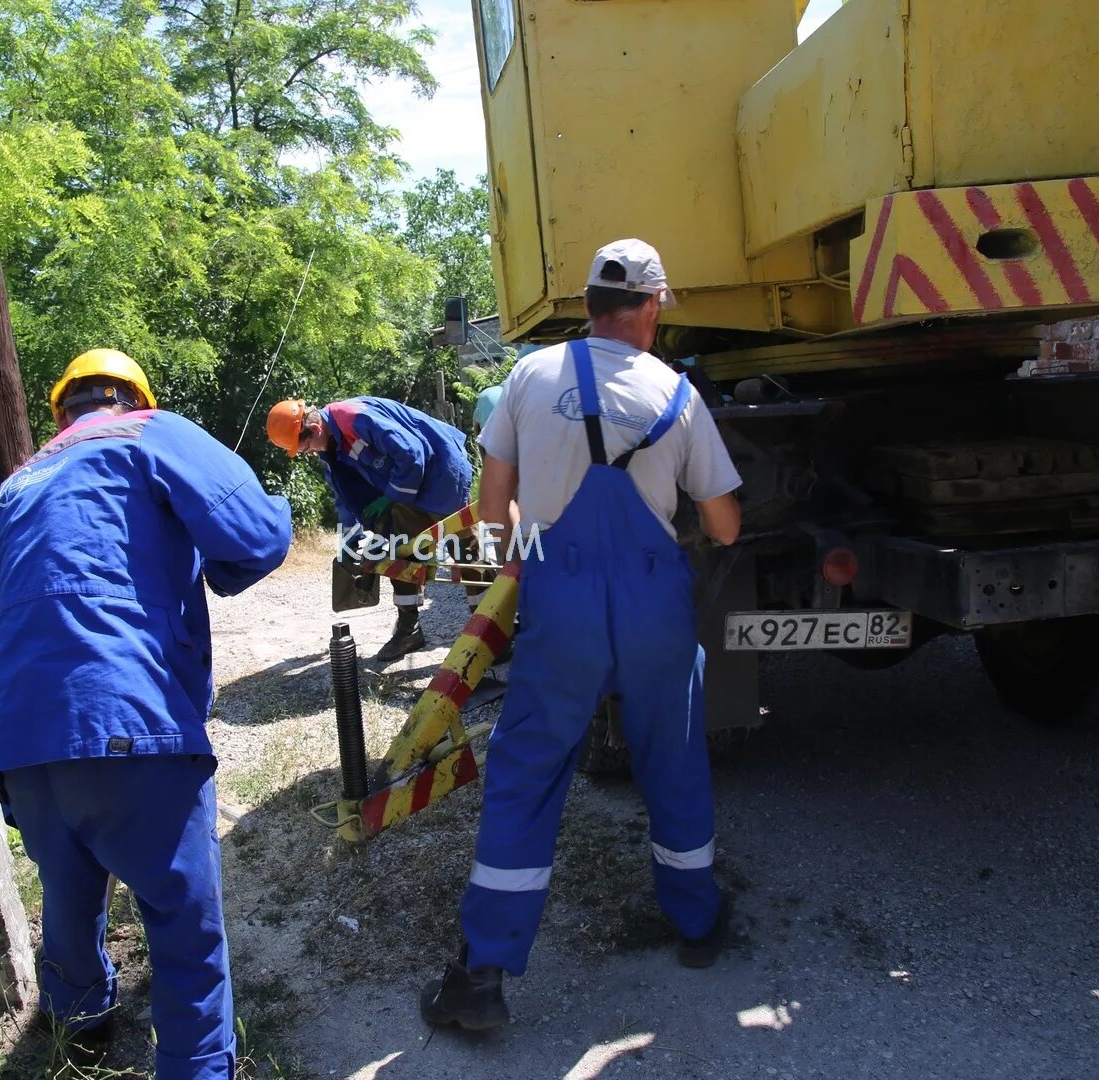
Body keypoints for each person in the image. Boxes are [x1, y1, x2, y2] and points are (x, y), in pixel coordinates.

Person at [420, 239, 743, 1030]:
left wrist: (520, 569)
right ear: (652, 305)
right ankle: (696, 922)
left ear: (590, 305)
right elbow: (726, 526)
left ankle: (483, 977)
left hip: (559, 610)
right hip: (655, 611)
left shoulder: (528, 376)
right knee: (673, 758)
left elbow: (494, 511)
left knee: (528, 773)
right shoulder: (678, 391)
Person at [0, 348, 293, 1078]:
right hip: (131, 721)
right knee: (185, 927)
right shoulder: (148, 430)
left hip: (20, 739)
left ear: (61, 412)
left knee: (69, 888)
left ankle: (79, 1025)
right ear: (131, 398)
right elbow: (258, 538)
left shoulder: (17, 482)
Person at [266, 395, 473, 660]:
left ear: (315, 429)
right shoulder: (330, 451)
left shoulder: (355, 419)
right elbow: (343, 497)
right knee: (401, 550)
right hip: (408, 489)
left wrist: (390, 496)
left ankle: (491, 624)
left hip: (441, 471)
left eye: (305, 448)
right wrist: (350, 538)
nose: (309, 453)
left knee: (466, 548)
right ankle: (409, 630)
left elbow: (412, 453)